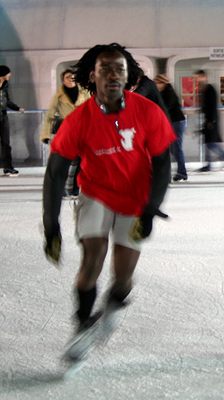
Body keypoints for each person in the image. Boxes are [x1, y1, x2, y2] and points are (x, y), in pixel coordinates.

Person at [42, 43, 175, 362]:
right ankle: (82, 324)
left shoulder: (147, 111)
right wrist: (50, 226)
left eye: (119, 69)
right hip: (96, 194)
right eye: (105, 69)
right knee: (93, 257)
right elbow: (55, 173)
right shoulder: (79, 120)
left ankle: (114, 304)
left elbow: (162, 164)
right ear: (93, 75)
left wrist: (151, 208)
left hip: (136, 197)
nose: (113, 75)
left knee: (123, 277)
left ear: (128, 76)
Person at [126, 69, 172, 219]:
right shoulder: (145, 84)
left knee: (162, 164)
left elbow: (137, 95)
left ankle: (152, 204)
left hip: (160, 127)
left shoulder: (147, 84)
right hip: (153, 127)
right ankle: (148, 200)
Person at [41, 69, 91, 197]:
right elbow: (49, 116)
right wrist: (45, 135)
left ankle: (75, 188)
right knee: (64, 162)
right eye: (68, 77)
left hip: (82, 130)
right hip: (66, 131)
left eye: (73, 77)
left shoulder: (85, 93)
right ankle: (61, 188)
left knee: (81, 162)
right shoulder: (59, 96)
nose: (71, 79)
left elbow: (94, 111)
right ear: (63, 80)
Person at [196, 70, 224, 172]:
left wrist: (211, 121)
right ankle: (209, 164)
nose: (198, 79)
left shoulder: (209, 89)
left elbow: (212, 106)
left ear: (204, 77)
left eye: (199, 77)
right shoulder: (204, 89)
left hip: (211, 121)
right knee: (208, 143)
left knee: (211, 143)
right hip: (208, 119)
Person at [155, 74, 188, 182]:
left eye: (158, 83)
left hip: (177, 122)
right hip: (174, 122)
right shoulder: (163, 93)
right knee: (173, 149)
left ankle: (182, 173)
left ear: (163, 83)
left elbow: (166, 108)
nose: (156, 85)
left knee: (176, 148)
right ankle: (180, 172)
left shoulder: (169, 93)